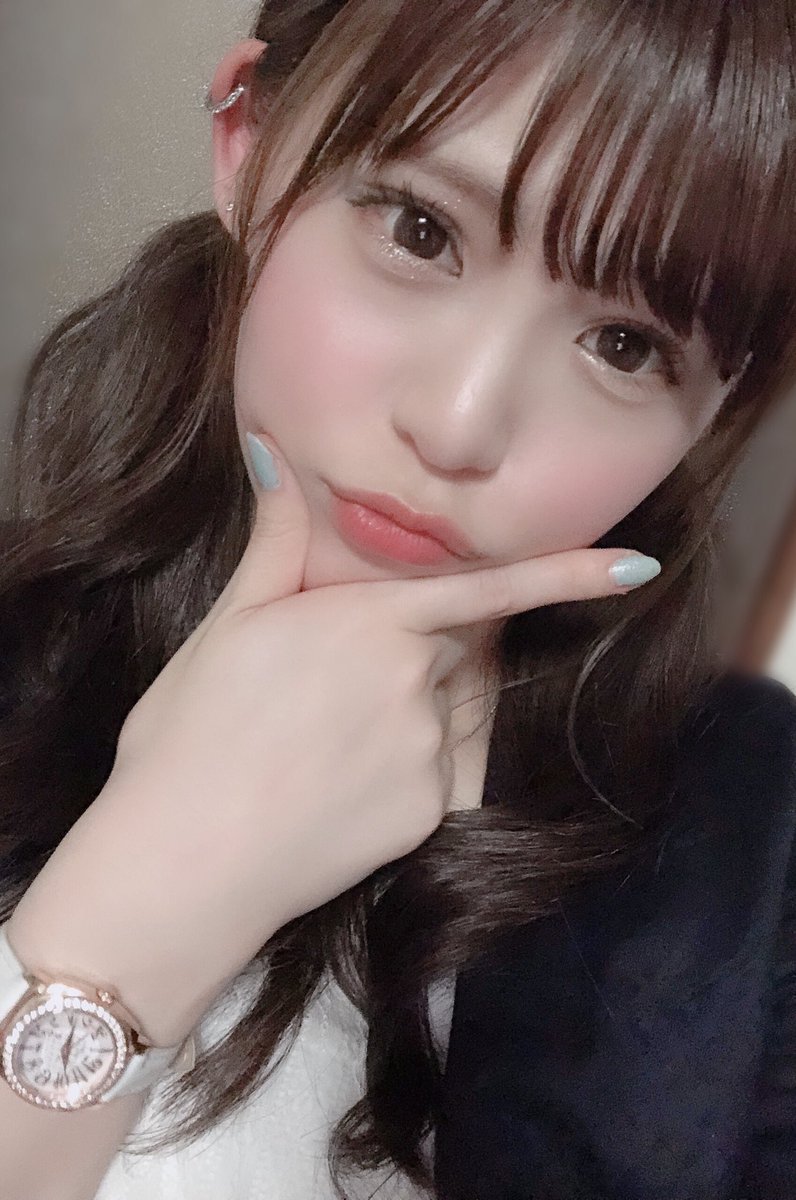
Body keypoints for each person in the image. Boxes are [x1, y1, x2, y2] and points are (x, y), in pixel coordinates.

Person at [0, 1, 794, 1197]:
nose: (460, 425)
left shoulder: (751, 841)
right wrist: (134, 917)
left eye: (626, 346)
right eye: (421, 231)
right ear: (249, 142)